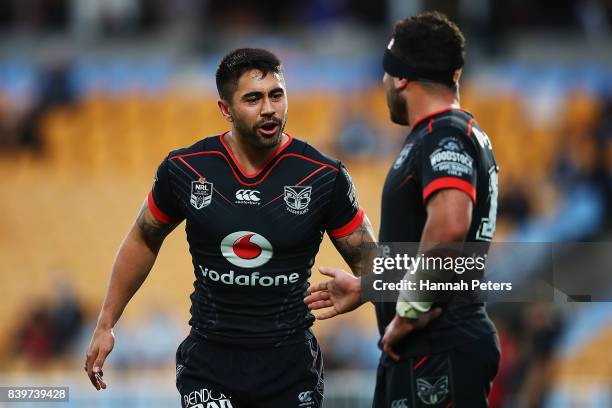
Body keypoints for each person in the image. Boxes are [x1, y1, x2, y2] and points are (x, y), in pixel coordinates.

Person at [84, 48, 376, 408]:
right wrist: (106, 322)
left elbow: (372, 262)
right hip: (210, 363)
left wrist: (365, 288)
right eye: (253, 98)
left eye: (277, 95)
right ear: (225, 109)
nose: (269, 108)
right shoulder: (185, 168)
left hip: (290, 365)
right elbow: (144, 238)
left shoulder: (323, 176)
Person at [306, 11, 500, 407]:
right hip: (430, 347)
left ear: (400, 77)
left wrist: (408, 313)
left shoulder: (443, 133)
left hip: (436, 345)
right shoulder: (452, 133)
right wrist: (368, 288)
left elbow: (447, 231)